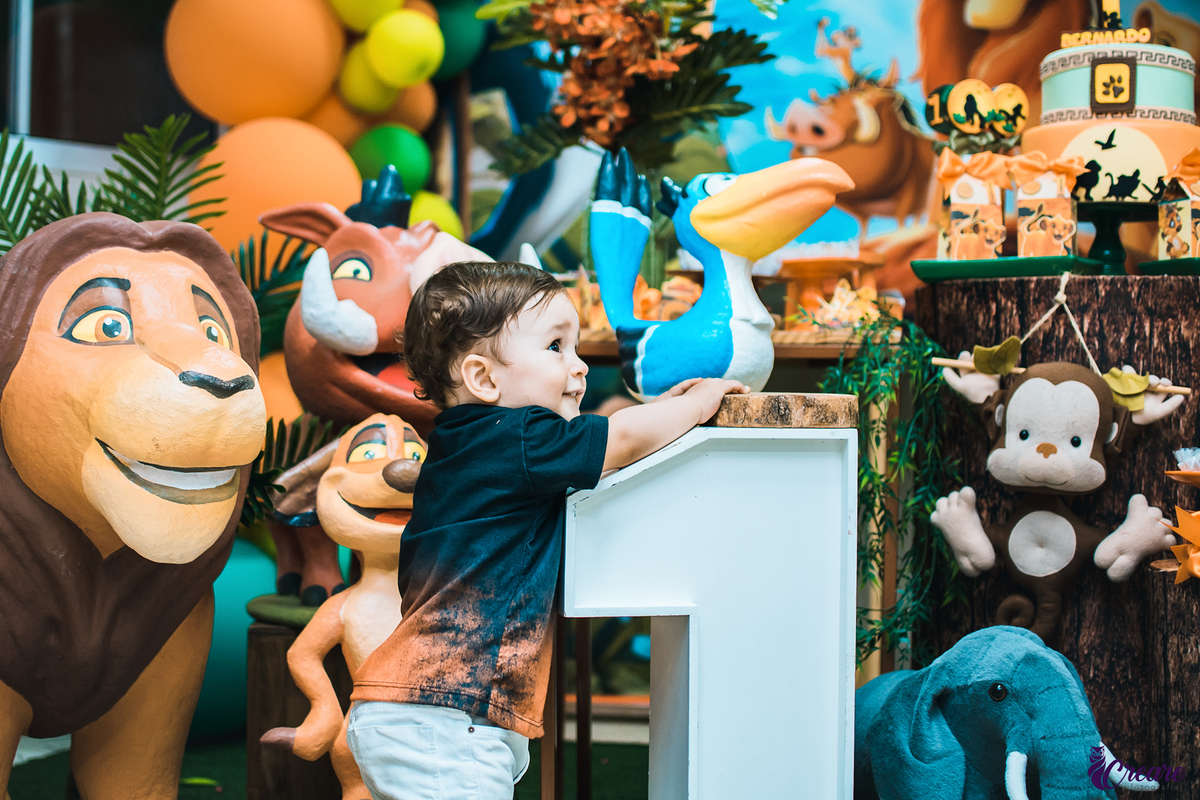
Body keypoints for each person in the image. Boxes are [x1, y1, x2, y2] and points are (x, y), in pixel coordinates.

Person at [346, 261, 747, 799]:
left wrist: (662, 410)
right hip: (446, 713)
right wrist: (699, 404)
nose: (578, 367)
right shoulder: (518, 437)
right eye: (557, 347)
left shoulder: (465, 445)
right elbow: (619, 441)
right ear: (483, 378)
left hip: (423, 710)